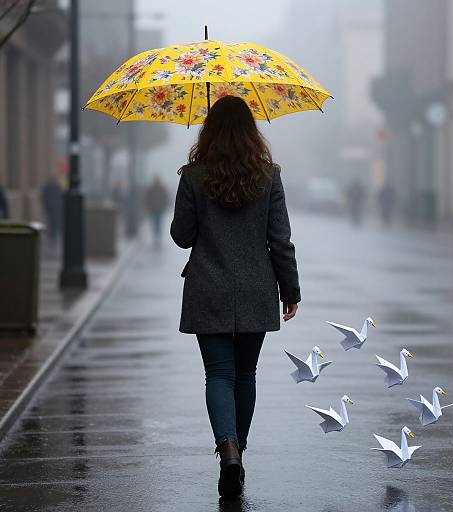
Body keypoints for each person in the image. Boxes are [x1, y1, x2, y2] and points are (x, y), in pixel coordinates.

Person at [170, 96, 300, 499]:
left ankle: (227, 450)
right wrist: (290, 290)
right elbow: (280, 239)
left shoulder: (193, 177)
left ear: (208, 132)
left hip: (207, 287)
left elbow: (182, 236)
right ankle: (238, 451)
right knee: (245, 376)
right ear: (251, 132)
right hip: (256, 288)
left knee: (218, 375)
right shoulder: (268, 175)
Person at [145, 176, 170, 246]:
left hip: (159, 209)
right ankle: (156, 236)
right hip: (154, 209)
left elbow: (165, 198)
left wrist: (164, 205)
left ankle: (157, 236)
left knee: (158, 222)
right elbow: (148, 198)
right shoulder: (153, 189)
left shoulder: (159, 189)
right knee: (155, 223)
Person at [41, 176, 63, 242]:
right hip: (54, 207)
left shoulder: (47, 187)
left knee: (52, 220)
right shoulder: (56, 187)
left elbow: (43, 197)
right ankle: (54, 233)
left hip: (51, 207)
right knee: (54, 220)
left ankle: (52, 233)